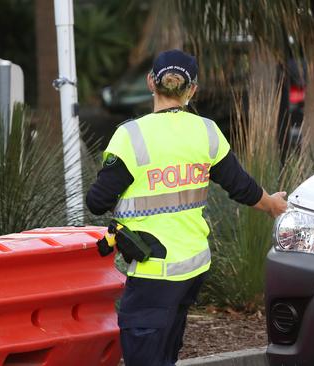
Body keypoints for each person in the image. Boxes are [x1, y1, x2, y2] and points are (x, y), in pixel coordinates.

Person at [85, 49, 287, 366]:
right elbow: (241, 187)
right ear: (192, 89)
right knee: (165, 353)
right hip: (192, 268)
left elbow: (97, 202)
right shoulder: (206, 131)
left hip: (154, 270)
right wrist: (273, 204)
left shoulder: (131, 136)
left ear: (151, 82)